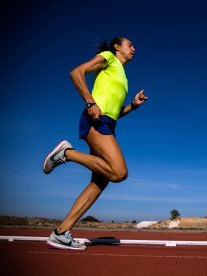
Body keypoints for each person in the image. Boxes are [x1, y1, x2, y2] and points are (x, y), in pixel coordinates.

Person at [42, 36, 148, 250]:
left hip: (108, 124)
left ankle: (61, 232)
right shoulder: (108, 58)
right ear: (117, 47)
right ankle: (67, 153)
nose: (134, 48)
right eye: (130, 45)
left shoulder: (123, 77)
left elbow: (116, 113)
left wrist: (133, 106)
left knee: (99, 182)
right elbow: (76, 73)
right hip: (96, 121)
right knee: (119, 173)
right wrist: (90, 102)